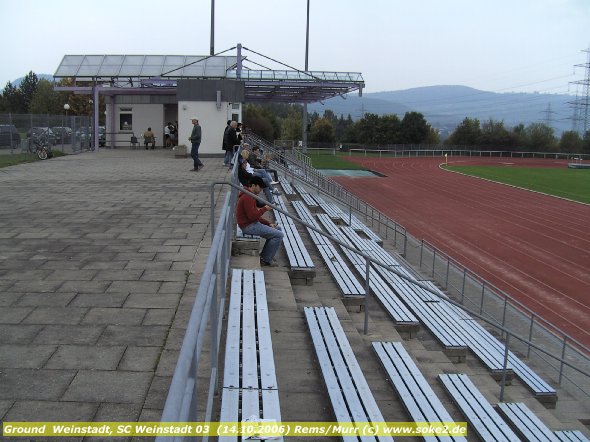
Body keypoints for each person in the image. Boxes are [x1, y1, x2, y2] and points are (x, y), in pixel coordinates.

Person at [237, 175, 284, 267]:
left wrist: (269, 223)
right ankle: (265, 259)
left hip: (251, 223)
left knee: (278, 229)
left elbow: (254, 216)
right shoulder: (247, 197)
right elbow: (252, 217)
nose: (261, 189)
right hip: (248, 226)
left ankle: (266, 255)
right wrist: (265, 209)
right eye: (260, 187)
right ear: (254, 185)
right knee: (279, 235)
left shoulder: (250, 195)